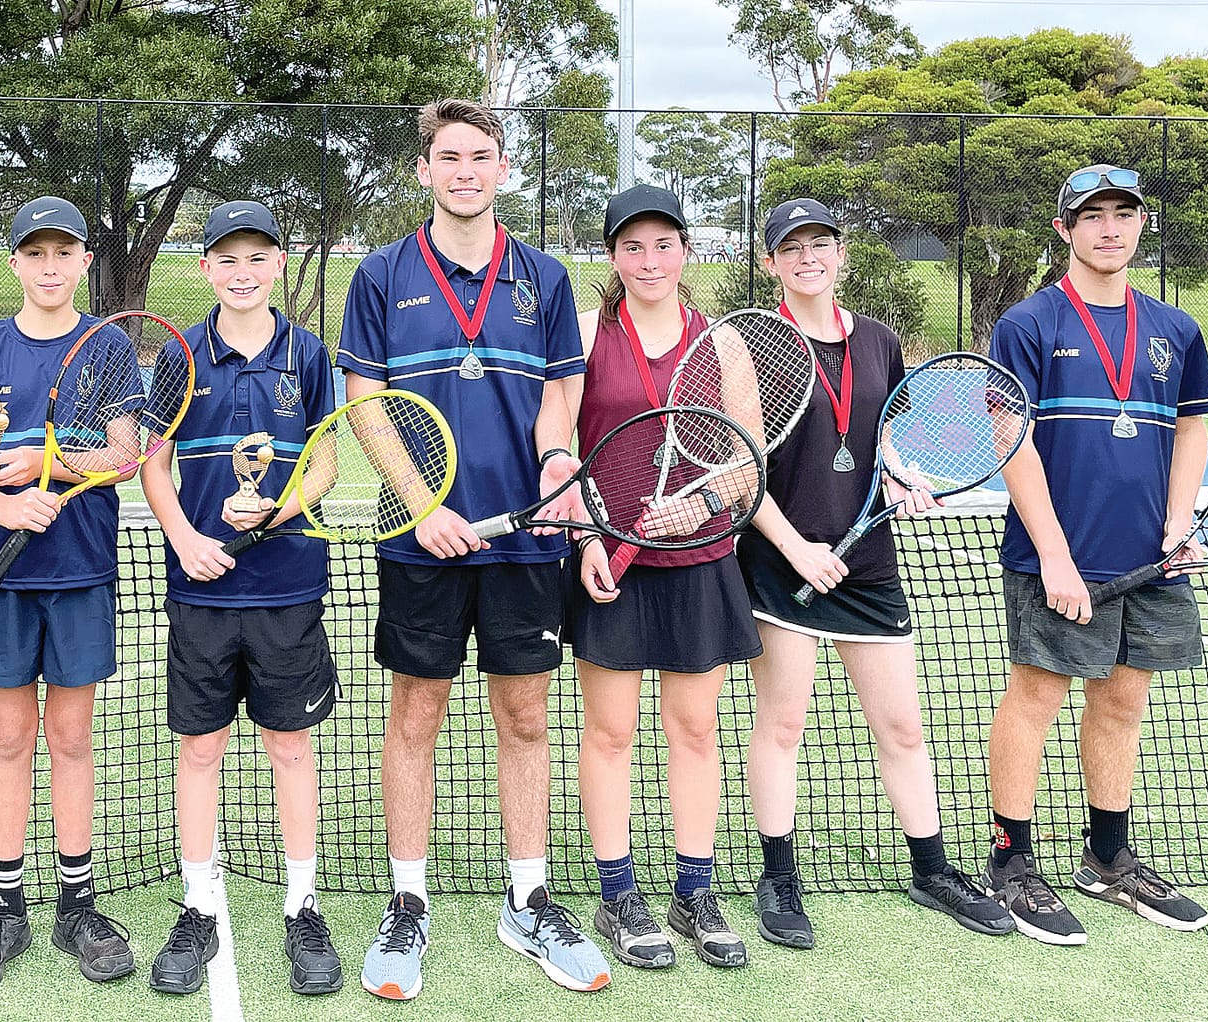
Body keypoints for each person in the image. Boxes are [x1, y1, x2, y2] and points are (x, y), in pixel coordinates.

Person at [337, 98, 609, 999]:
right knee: (416, 716)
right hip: (421, 544)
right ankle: (407, 902)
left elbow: (560, 397)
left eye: (480, 155)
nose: (464, 169)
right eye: (448, 155)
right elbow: (365, 402)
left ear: (501, 169)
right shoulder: (379, 275)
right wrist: (419, 507)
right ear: (423, 170)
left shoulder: (546, 278)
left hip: (526, 542)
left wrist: (558, 464)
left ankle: (528, 897)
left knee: (526, 719)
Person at [736, 198, 1013, 950]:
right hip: (782, 564)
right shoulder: (751, 346)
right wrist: (796, 549)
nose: (807, 257)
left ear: (841, 255)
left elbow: (878, 432)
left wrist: (900, 476)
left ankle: (932, 871)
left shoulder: (883, 342)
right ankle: (778, 875)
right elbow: (741, 469)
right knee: (783, 724)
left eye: (820, 243)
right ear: (770, 263)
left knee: (902, 726)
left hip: (866, 567)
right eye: (791, 248)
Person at [984, 165, 1208, 944]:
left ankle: (1108, 857)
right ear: (1065, 230)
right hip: (1058, 557)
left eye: (1124, 214)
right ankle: (1011, 861)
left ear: (1143, 225)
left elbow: (1191, 426)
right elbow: (1011, 442)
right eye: (1092, 216)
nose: (1109, 228)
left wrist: (1179, 521)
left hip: (1150, 561)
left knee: (1123, 703)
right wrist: (1052, 554)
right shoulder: (1027, 323)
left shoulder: (1176, 330)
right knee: (1037, 699)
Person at [138, 201, 343, 996]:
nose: (243, 272)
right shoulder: (181, 354)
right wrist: (184, 541)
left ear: (280, 264)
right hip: (201, 590)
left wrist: (283, 508)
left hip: (288, 585)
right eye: (227, 259)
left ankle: (302, 904)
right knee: (200, 750)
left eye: (258, 257)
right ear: (205, 270)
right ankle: (196, 906)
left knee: (291, 747)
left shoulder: (310, 354)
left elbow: (325, 460)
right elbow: (155, 463)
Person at [0, 197, 136, 993]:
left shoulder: (111, 346)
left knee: (71, 738)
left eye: (65, 252)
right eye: (35, 252)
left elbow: (124, 457)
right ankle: (7, 904)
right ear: (14, 262)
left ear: (86, 261)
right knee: (10, 739)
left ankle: (77, 904)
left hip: (80, 570)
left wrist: (46, 464)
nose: (50, 266)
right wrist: (6, 503)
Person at [567, 184, 761, 971]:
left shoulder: (723, 344)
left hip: (702, 562)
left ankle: (694, 890)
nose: (649, 260)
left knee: (695, 730)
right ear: (613, 256)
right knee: (610, 734)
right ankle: (619, 895)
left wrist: (705, 500)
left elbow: (751, 460)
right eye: (633, 247)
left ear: (687, 251)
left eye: (664, 245)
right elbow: (560, 444)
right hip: (608, 561)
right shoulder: (583, 335)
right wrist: (585, 535)